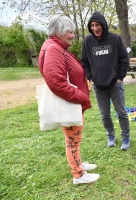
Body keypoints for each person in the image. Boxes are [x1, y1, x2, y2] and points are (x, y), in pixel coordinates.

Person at [38, 16, 100, 184]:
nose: (73, 35)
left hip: (72, 102)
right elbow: (56, 82)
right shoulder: (54, 49)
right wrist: (81, 98)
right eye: (70, 32)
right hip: (70, 103)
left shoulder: (57, 46)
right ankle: (78, 174)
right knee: (73, 140)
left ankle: (78, 164)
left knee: (75, 139)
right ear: (58, 33)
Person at [81, 11, 130, 150]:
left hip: (115, 83)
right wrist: (91, 78)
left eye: (97, 25)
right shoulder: (87, 42)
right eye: (92, 25)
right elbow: (84, 62)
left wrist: (120, 77)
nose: (95, 28)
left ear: (103, 25)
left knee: (121, 112)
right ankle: (110, 135)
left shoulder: (115, 39)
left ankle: (126, 137)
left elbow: (124, 59)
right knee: (105, 115)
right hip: (98, 85)